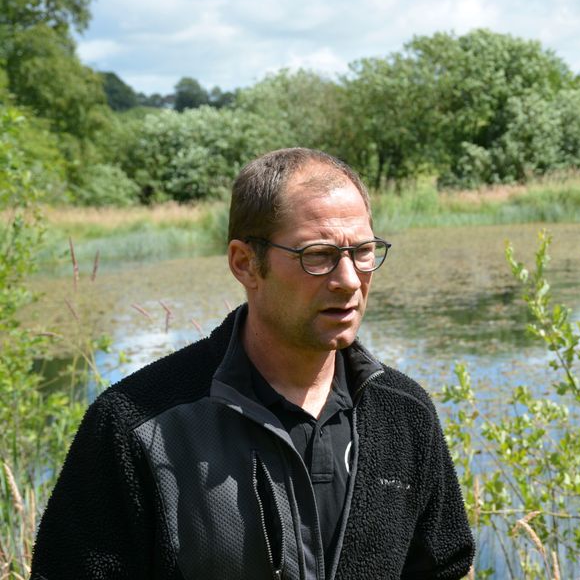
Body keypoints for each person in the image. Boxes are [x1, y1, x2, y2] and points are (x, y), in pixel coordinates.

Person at [31, 148, 475, 579]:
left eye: (362, 251)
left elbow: (444, 567)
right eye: (317, 255)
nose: (348, 281)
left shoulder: (404, 414)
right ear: (245, 264)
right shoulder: (135, 423)